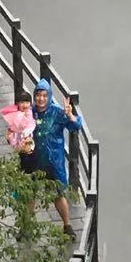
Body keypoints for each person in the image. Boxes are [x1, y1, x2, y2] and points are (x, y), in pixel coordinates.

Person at [30, 78, 82, 241]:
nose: (41, 99)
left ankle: (67, 225)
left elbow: (76, 126)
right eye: (38, 95)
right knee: (29, 193)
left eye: (44, 96)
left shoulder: (57, 112)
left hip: (54, 161)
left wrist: (70, 115)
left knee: (58, 194)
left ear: (49, 96)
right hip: (34, 160)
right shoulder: (30, 112)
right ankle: (27, 226)